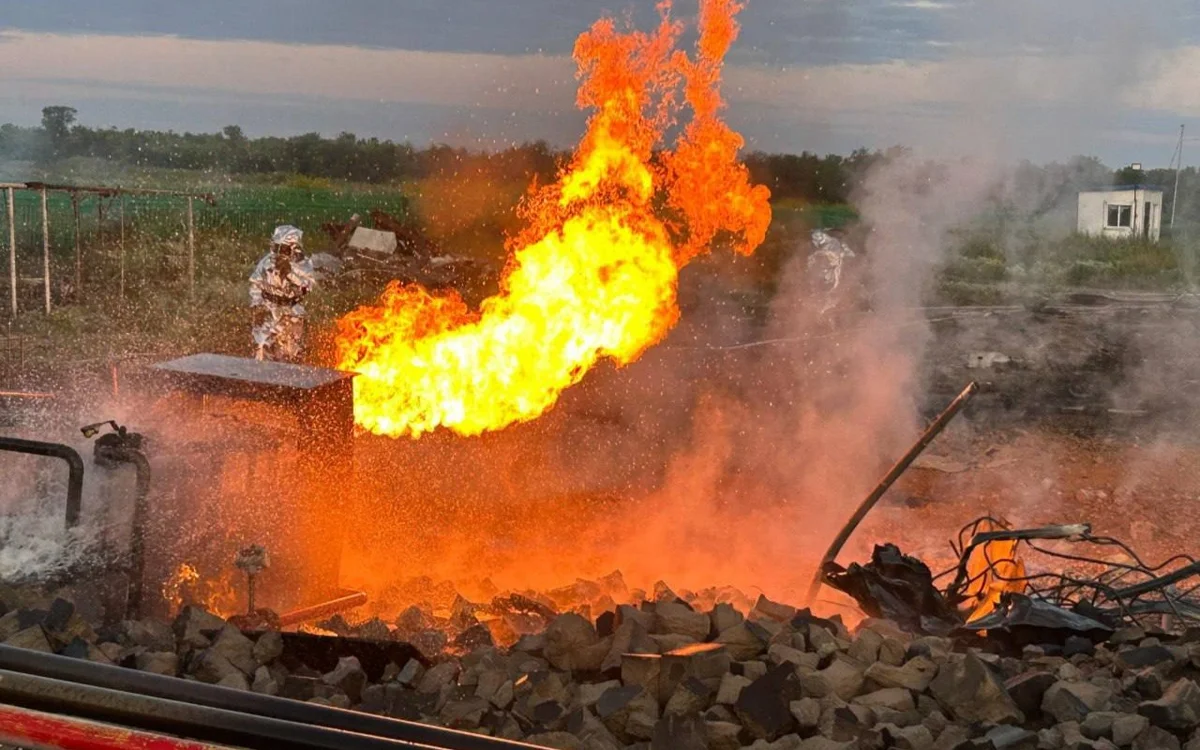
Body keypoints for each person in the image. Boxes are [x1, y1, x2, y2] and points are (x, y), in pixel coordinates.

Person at [249, 225, 316, 362]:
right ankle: (261, 379)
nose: (278, 253)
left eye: (283, 249)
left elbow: (307, 286)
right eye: (275, 248)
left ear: (293, 248)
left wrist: (290, 274)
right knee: (261, 347)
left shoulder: (303, 264)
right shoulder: (266, 262)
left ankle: (288, 379)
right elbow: (256, 283)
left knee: (289, 353)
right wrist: (257, 305)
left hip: (290, 312)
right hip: (268, 307)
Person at [806, 228, 856, 316]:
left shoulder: (833, 244)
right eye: (814, 237)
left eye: (817, 237)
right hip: (826, 275)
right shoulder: (819, 250)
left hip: (833, 273)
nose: (815, 240)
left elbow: (834, 259)